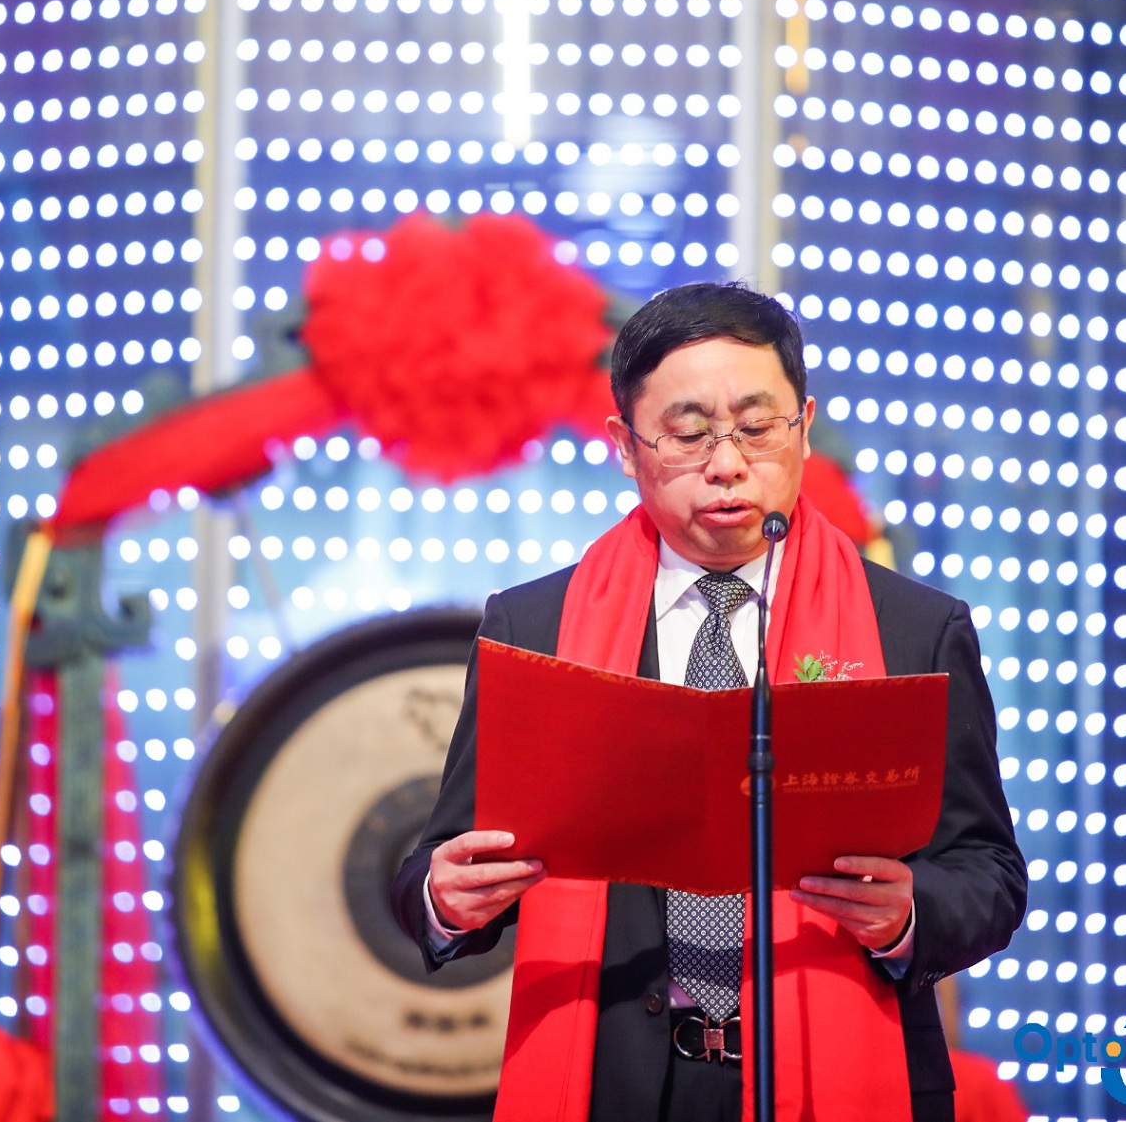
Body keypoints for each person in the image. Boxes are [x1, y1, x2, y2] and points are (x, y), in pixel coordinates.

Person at [390, 281, 1026, 1122]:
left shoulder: (914, 627)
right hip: (618, 1085)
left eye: (758, 428)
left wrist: (909, 911)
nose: (727, 463)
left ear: (804, 425)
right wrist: (444, 900)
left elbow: (989, 874)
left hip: (842, 1073)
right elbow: (438, 862)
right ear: (626, 445)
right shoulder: (534, 626)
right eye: (689, 433)